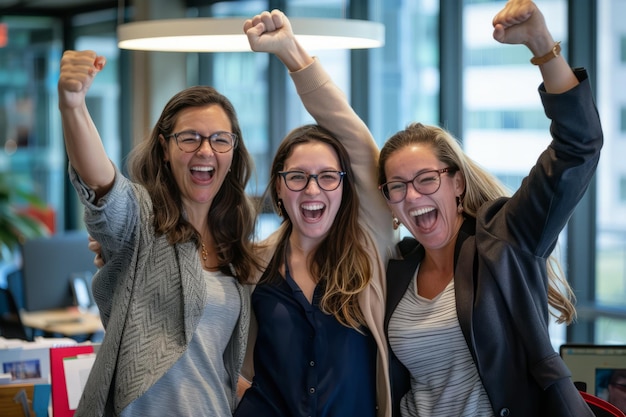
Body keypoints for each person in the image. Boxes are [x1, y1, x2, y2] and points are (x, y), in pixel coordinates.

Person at [378, 1, 603, 416]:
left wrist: (541, 44)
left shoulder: (505, 239)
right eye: (397, 186)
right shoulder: (396, 270)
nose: (413, 196)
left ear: (456, 182)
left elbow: (578, 146)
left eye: (426, 179)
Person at [58, 51, 260, 415]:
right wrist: (73, 105)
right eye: (189, 138)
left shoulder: (235, 240)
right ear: (165, 149)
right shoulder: (141, 220)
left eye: (220, 139)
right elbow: (101, 183)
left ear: (232, 152)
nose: (205, 150)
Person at [234, 10, 397, 417]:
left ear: (345, 184)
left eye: (327, 177)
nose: (312, 190)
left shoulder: (370, 242)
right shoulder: (255, 262)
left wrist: (291, 53)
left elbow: (353, 138)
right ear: (278, 187)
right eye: (297, 177)